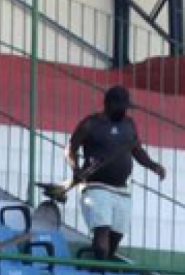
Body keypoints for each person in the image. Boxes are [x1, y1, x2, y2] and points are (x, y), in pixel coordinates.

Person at [65, 85, 166, 260]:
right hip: (96, 186)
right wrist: (76, 170)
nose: (125, 110)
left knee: (117, 234)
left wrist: (153, 165)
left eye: (126, 107)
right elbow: (70, 149)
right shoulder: (90, 123)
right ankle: (100, 267)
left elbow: (136, 149)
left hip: (121, 189)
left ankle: (101, 267)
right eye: (122, 106)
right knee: (102, 229)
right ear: (109, 104)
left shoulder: (129, 124)